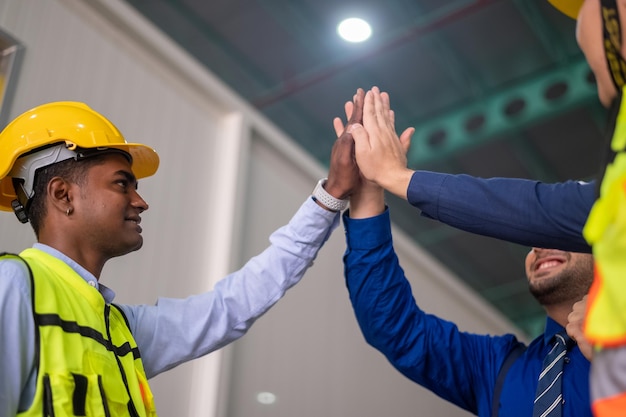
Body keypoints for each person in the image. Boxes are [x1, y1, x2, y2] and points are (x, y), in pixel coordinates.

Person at [0, 92, 364, 416]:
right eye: (121, 183)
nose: (141, 202)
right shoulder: (12, 287)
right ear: (63, 195)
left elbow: (232, 305)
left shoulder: (120, 330)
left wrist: (332, 195)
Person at [348, 0, 626, 413]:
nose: (538, 245)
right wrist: (369, 192)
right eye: (532, 242)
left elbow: (536, 208)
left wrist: (614, 354)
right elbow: (394, 329)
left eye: (554, 232)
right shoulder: (496, 369)